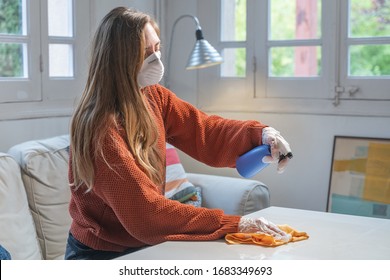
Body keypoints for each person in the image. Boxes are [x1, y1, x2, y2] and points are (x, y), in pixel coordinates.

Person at [65, 6, 293, 260]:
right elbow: (148, 214)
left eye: (157, 48)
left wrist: (261, 135)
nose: (157, 60)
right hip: (101, 253)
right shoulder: (101, 131)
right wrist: (234, 223)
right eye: (145, 53)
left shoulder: (152, 96)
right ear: (119, 61)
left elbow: (204, 131)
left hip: (141, 245)